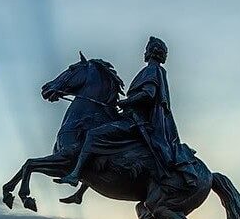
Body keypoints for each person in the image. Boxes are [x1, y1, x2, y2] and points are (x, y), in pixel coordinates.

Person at [55, 36, 196, 188]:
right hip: (134, 118)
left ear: (151, 52)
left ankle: (75, 175)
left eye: (146, 49)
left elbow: (149, 93)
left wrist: (125, 102)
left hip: (136, 121)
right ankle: (82, 187)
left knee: (93, 134)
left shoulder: (152, 69)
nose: (144, 53)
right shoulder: (156, 71)